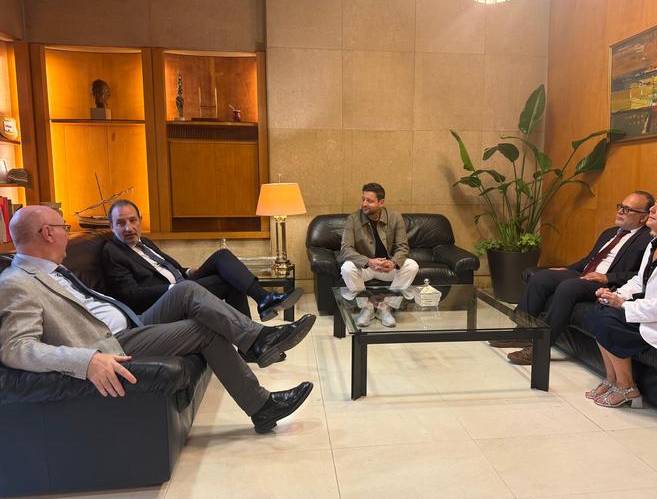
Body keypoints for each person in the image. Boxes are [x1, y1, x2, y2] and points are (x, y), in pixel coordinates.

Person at [0, 205, 316, 433]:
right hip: (110, 343)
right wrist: (86, 360)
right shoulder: (17, 282)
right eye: (63, 228)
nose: (67, 235)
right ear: (48, 233)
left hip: (132, 321)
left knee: (187, 290)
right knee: (203, 329)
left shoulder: (54, 271)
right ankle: (261, 401)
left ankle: (258, 340)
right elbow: (16, 348)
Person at [498, 191, 655, 365]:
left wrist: (606, 277)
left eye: (627, 209)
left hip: (607, 283)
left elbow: (641, 275)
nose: (620, 211)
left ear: (643, 217)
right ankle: (520, 333)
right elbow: (589, 259)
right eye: (620, 206)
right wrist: (567, 269)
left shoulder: (648, 239)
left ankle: (539, 349)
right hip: (585, 275)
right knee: (541, 278)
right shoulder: (610, 232)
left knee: (569, 287)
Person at [586, 187, 657, 408]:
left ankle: (627, 387)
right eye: (654, 205)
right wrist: (614, 295)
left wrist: (623, 305)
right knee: (600, 309)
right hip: (656, 312)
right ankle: (612, 379)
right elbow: (640, 282)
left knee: (608, 319)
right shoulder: (655, 243)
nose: (652, 209)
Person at [101, 199, 302, 321]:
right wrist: (172, 289)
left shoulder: (144, 242)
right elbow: (130, 294)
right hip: (164, 300)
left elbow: (167, 268)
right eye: (121, 223)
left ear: (140, 220)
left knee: (222, 256)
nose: (129, 228)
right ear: (111, 226)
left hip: (182, 283)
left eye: (133, 220)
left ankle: (264, 300)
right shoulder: (113, 252)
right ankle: (257, 324)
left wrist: (188, 272)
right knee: (229, 282)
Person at [337, 182, 419, 326]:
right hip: (365, 268)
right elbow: (346, 249)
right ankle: (367, 307)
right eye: (363, 199)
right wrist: (369, 262)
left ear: (381, 202)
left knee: (412, 265)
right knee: (347, 267)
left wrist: (393, 262)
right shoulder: (353, 219)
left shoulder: (395, 217)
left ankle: (385, 306)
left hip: (387, 268)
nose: (364, 204)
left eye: (369, 201)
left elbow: (403, 247)